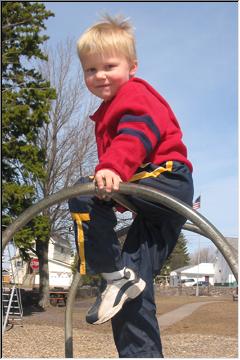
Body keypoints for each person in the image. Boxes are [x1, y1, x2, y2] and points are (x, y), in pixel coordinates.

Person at [69, 14, 194, 358]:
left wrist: (110, 167)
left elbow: (137, 135)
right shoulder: (106, 113)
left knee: (84, 190)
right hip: (157, 200)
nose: (100, 75)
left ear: (132, 66)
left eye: (109, 65)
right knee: (133, 291)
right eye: (90, 70)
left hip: (164, 179)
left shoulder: (135, 96)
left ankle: (110, 273)